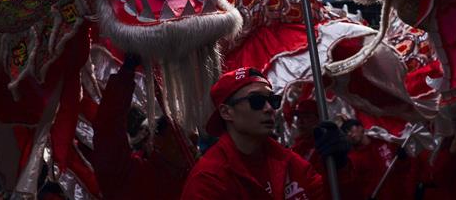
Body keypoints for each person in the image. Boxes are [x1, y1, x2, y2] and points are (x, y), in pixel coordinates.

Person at [180, 67, 349, 199]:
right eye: (257, 101)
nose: (269, 108)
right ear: (226, 112)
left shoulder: (288, 161)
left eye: (272, 100)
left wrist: (340, 168)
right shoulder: (209, 180)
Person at [91, 54, 192, 200]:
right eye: (179, 138)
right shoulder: (131, 177)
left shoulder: (200, 178)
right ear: (158, 141)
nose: (190, 144)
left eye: (191, 139)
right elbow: (107, 131)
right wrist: (127, 71)